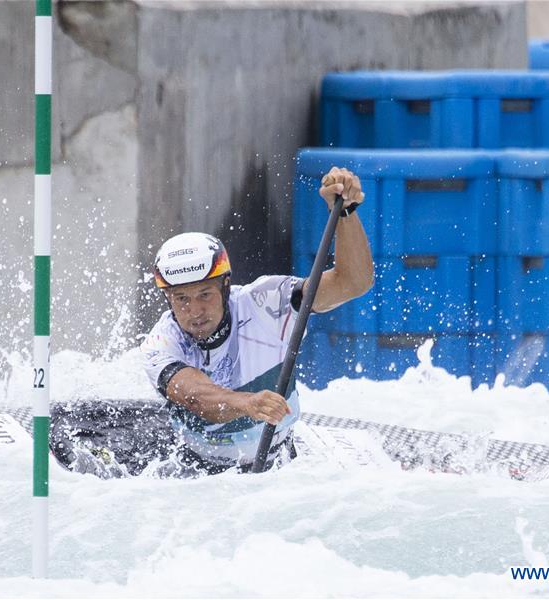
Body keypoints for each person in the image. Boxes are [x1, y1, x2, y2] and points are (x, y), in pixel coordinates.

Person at [141, 166, 374, 474]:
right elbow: (193, 397)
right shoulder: (161, 342)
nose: (194, 311)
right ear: (167, 299)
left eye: (204, 295)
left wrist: (345, 214)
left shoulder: (266, 301)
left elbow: (353, 282)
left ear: (225, 286)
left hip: (281, 464)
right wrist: (248, 403)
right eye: (181, 299)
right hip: (196, 473)